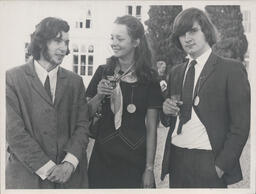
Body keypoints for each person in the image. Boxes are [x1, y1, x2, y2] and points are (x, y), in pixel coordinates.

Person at [160, 8, 250, 188]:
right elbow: (167, 120)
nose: (187, 39)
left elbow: (240, 127)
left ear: (206, 32)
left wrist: (220, 166)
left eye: (193, 31)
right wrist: (166, 109)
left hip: (209, 161)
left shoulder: (231, 70)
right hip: (177, 159)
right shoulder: (176, 72)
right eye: (181, 34)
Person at [6, 17, 90, 189]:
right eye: (57, 41)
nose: (63, 48)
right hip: (26, 179)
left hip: (70, 179)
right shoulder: (12, 79)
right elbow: (13, 132)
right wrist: (50, 169)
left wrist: (68, 164)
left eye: (66, 42)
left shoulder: (75, 82)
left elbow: (82, 126)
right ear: (41, 42)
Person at [85, 15, 163, 188]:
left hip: (134, 159)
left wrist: (149, 168)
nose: (113, 43)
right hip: (102, 158)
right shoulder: (103, 71)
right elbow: (85, 114)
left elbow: (152, 128)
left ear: (136, 42)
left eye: (120, 38)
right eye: (112, 38)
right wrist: (98, 95)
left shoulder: (150, 79)